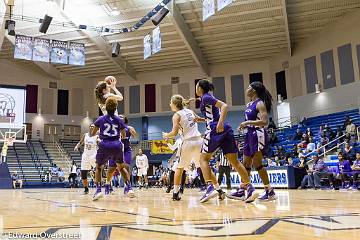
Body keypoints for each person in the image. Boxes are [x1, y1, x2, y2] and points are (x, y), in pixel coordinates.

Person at [194, 79, 257, 203]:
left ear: (200, 88)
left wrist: (220, 122)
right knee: (235, 162)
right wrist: (201, 119)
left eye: (196, 86)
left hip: (214, 129)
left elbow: (224, 106)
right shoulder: (207, 98)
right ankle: (250, 188)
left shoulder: (206, 97)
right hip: (226, 130)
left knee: (203, 159)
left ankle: (209, 187)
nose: (195, 88)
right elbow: (213, 115)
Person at [231, 81, 276, 200]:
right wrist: (244, 125)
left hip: (258, 134)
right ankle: (243, 188)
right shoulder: (249, 104)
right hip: (249, 133)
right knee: (245, 164)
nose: (246, 90)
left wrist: (248, 122)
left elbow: (265, 122)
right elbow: (251, 120)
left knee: (258, 164)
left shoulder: (260, 103)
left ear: (254, 90)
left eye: (248, 88)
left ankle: (269, 191)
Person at [162, 95, 209, 201]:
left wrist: (166, 135)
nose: (169, 104)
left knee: (179, 168)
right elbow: (198, 119)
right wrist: (207, 120)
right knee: (202, 165)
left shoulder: (176, 115)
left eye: (170, 102)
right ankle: (214, 188)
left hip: (188, 142)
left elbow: (174, 133)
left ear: (174, 104)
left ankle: (175, 193)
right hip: (199, 140)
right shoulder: (190, 111)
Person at [92, 97, 135, 201]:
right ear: (116, 108)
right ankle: (129, 188)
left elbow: (92, 133)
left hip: (104, 144)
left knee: (98, 167)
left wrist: (98, 134)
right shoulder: (119, 120)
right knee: (121, 167)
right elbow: (123, 135)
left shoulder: (101, 119)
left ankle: (98, 190)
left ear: (106, 107)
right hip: (116, 145)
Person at [94, 76, 131, 194]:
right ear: (104, 90)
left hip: (105, 132)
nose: (109, 87)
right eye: (107, 87)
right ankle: (127, 187)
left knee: (101, 167)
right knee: (119, 166)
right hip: (114, 133)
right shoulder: (108, 96)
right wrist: (114, 87)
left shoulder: (101, 99)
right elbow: (120, 97)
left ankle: (102, 187)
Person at [74, 125, 99, 194]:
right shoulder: (85, 135)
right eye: (91, 126)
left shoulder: (97, 136)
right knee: (83, 173)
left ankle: (98, 187)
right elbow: (81, 142)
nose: (92, 127)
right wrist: (76, 147)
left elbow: (100, 144)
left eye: (93, 126)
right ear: (89, 127)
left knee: (97, 171)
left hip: (93, 155)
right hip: (85, 155)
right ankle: (86, 189)